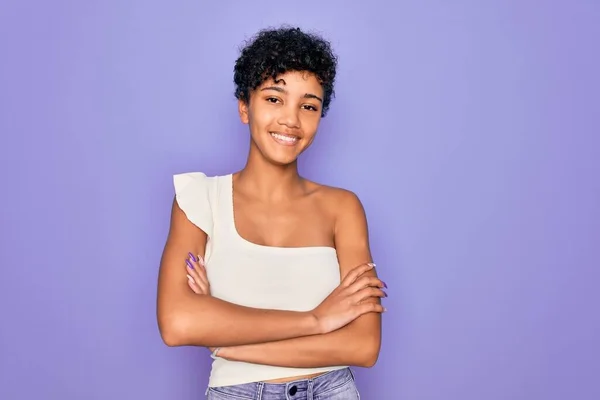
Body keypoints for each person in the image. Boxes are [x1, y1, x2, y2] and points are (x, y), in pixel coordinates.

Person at [156, 26, 387, 399]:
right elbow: (177, 323)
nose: (291, 120)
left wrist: (228, 342)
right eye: (274, 99)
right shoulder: (199, 199)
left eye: (308, 106)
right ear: (245, 107)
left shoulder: (343, 208)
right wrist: (318, 320)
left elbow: (363, 346)